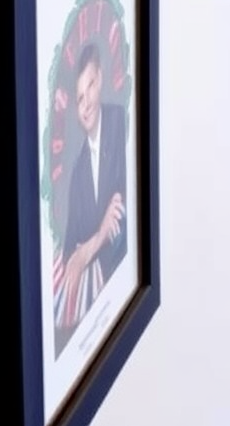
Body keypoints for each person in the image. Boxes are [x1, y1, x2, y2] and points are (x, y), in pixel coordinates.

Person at [61, 42, 128, 314]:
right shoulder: (77, 174)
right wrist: (78, 254)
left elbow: (124, 220)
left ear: (100, 79)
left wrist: (93, 242)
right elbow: (69, 251)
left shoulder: (121, 122)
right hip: (97, 307)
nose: (86, 103)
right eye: (78, 98)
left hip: (124, 291)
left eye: (89, 86)